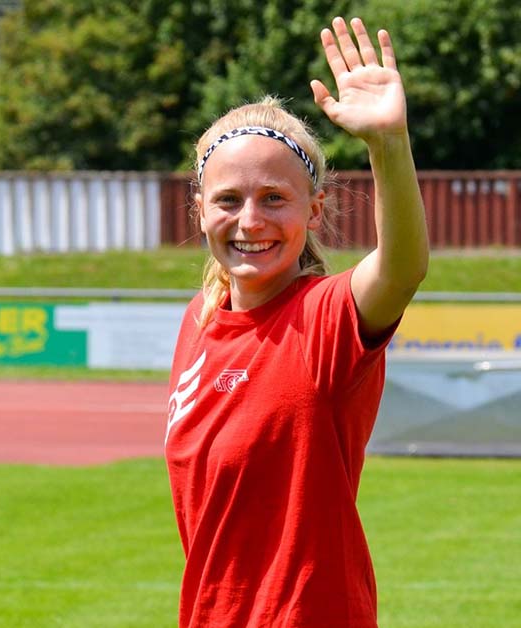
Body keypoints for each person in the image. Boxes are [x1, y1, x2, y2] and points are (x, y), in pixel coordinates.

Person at [163, 16, 428, 627]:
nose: (250, 221)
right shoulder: (198, 324)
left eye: (274, 199)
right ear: (200, 210)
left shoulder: (324, 318)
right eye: (229, 200)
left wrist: (388, 144)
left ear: (315, 210)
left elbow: (402, 268)